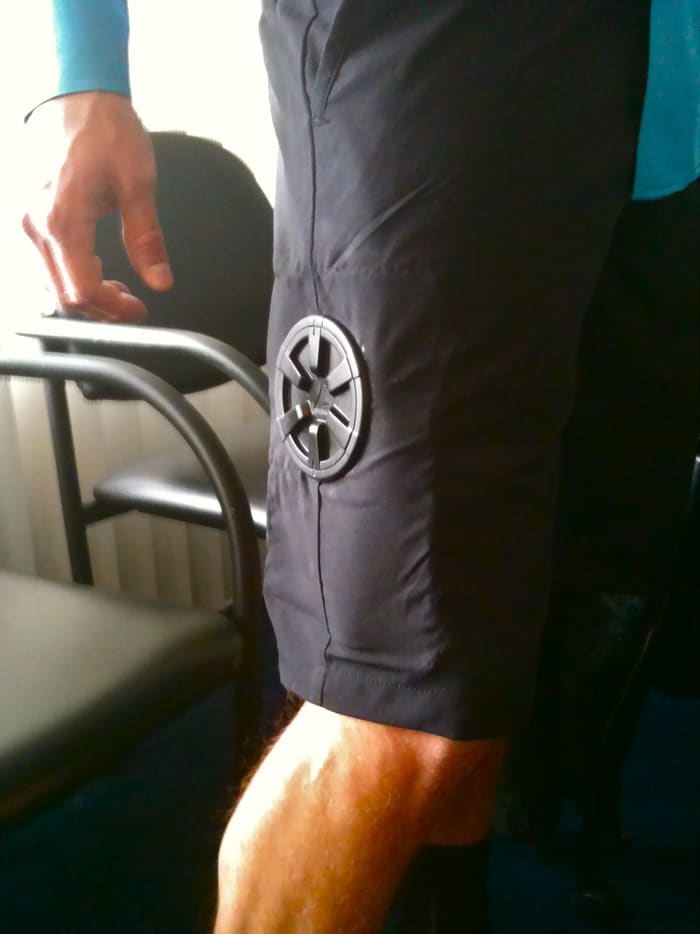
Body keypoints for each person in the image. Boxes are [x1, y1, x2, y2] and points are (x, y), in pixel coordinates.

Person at [20, 2, 698, 932]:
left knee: (507, 648)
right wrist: (85, 62)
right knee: (389, 700)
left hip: (664, 114)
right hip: (445, 53)